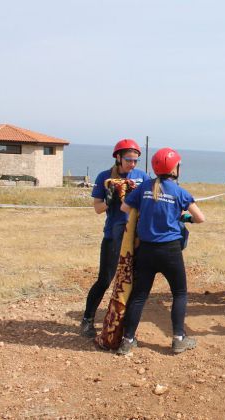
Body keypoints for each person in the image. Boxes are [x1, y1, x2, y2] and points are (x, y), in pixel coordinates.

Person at [116, 147, 205, 355]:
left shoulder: (144, 187)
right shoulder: (179, 192)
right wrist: (184, 217)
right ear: (174, 169)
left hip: (146, 250)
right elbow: (201, 218)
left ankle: (127, 341)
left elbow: (124, 208)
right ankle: (178, 339)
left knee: (139, 296)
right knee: (179, 293)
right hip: (170, 251)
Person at [80, 139, 150, 337]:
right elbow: (97, 208)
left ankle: (125, 325)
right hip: (114, 235)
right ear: (118, 158)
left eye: (135, 160)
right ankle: (87, 319)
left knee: (133, 281)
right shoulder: (105, 177)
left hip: (136, 236)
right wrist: (109, 202)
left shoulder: (142, 177)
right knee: (105, 279)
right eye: (128, 160)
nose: (132, 164)